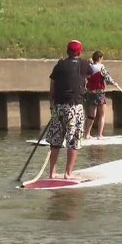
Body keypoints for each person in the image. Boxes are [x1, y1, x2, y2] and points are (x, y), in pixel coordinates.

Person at [45, 40, 93, 180]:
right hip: (74, 106)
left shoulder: (59, 66)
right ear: (79, 52)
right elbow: (89, 76)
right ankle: (68, 173)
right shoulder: (84, 64)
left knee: (55, 140)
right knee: (74, 139)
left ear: (67, 51)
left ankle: (52, 173)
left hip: (58, 106)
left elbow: (52, 86)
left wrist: (51, 106)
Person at [84, 50, 115, 139]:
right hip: (99, 93)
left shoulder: (89, 67)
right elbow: (107, 78)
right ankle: (100, 135)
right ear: (100, 58)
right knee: (101, 114)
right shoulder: (101, 67)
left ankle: (87, 134)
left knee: (91, 115)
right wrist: (114, 83)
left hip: (90, 93)